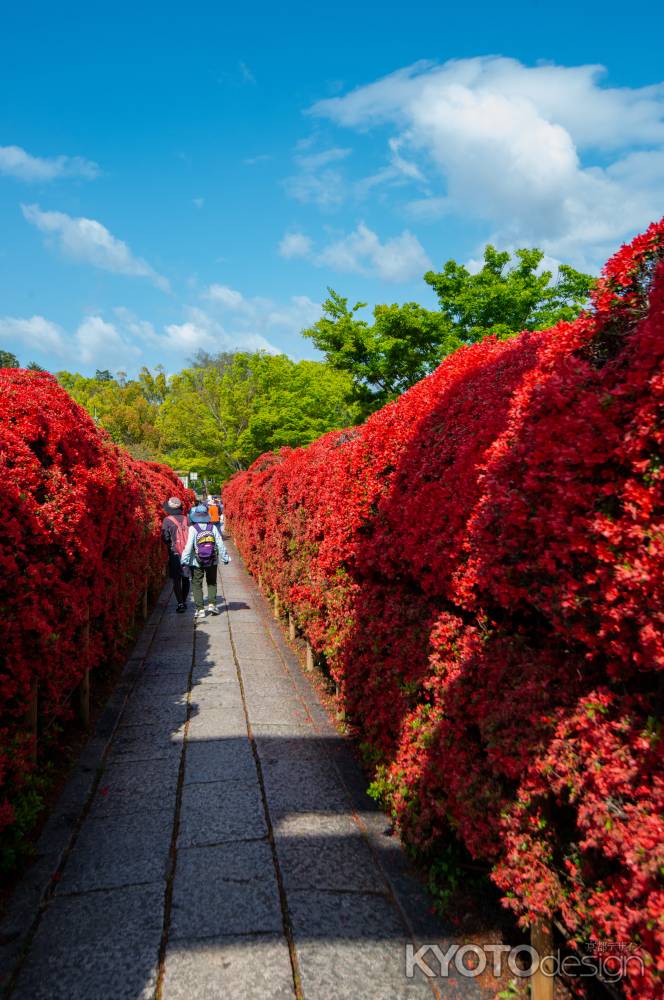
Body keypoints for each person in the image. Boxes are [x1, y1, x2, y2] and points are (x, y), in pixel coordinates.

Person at [180, 503, 231, 621]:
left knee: (197, 584)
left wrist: (184, 560)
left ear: (195, 515)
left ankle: (200, 609)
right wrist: (225, 557)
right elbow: (219, 543)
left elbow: (188, 547)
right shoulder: (212, 527)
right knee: (212, 582)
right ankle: (212, 605)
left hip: (196, 561)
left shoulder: (193, 529)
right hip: (212, 559)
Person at [161, 497, 191, 613]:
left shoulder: (167, 520)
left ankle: (180, 603)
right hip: (187, 552)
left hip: (174, 553)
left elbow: (165, 538)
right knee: (186, 577)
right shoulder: (186, 519)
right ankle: (184, 600)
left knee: (176, 579)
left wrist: (170, 544)